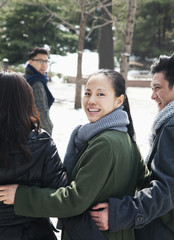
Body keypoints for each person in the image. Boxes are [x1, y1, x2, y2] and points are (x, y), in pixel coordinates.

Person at [0, 69, 149, 240]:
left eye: (101, 94)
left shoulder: (105, 142)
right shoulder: (124, 138)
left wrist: (21, 196)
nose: (91, 100)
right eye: (87, 93)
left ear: (119, 100)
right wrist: (120, 211)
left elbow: (74, 201)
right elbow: (146, 183)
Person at [89, 54, 174, 239]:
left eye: (157, 88)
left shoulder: (171, 126)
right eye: (152, 88)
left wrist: (119, 214)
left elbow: (166, 190)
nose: (153, 95)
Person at [25, 47, 54, 136]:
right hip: (35, 133)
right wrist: (49, 131)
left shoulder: (26, 78)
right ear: (30, 62)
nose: (44, 65)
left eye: (46, 61)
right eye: (40, 61)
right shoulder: (36, 83)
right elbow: (41, 112)